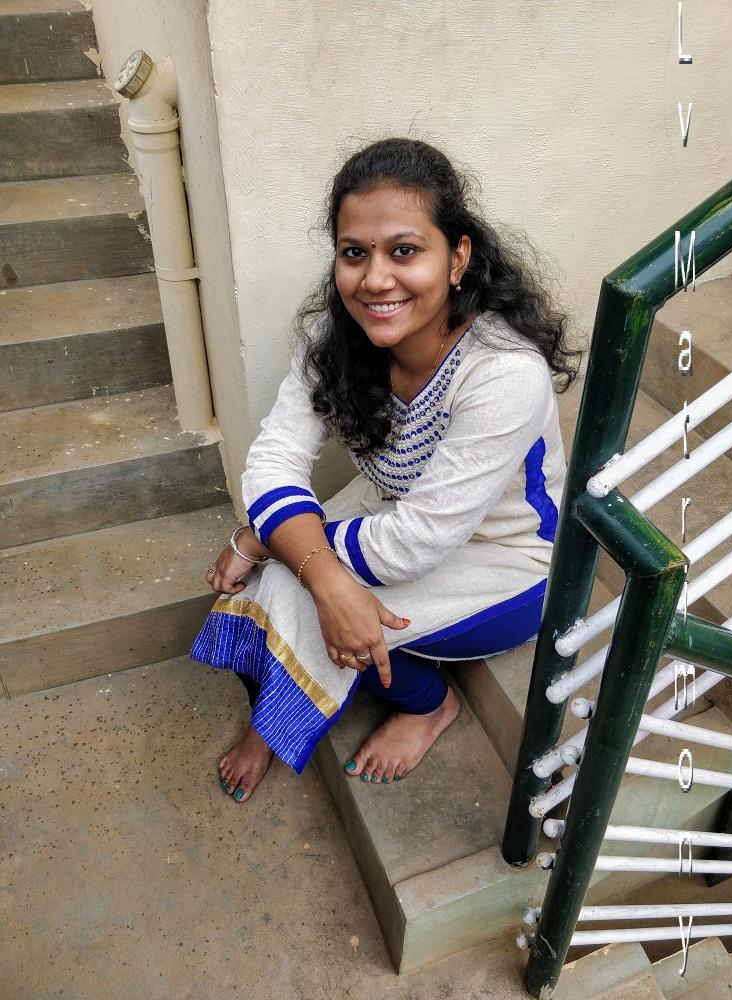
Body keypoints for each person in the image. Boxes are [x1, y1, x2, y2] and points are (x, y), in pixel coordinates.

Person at [191, 136, 580, 803]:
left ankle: (427, 705)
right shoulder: (333, 340)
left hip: (510, 558)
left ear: (457, 257)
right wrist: (302, 557)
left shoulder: (503, 372)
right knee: (298, 576)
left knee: (298, 589)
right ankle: (285, 702)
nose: (375, 280)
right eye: (354, 253)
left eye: (404, 251)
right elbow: (275, 457)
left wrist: (283, 548)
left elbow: (413, 544)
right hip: (392, 512)